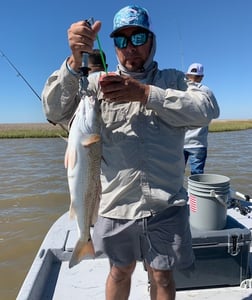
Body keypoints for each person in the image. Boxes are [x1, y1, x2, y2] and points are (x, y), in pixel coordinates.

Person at [42, 5, 220, 300]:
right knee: (119, 271)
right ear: (113, 46)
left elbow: (207, 108)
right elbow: (54, 110)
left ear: (151, 40)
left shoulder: (174, 81)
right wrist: (74, 63)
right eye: (121, 41)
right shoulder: (98, 85)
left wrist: (146, 94)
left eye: (137, 38)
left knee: (163, 276)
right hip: (115, 205)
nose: (130, 48)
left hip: (166, 205)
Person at [184, 63, 220, 175]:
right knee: (197, 175)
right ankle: (195, 193)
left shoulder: (179, 88)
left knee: (176, 174)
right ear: (202, 77)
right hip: (199, 143)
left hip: (179, 142)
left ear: (187, 75)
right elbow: (216, 114)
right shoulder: (206, 91)